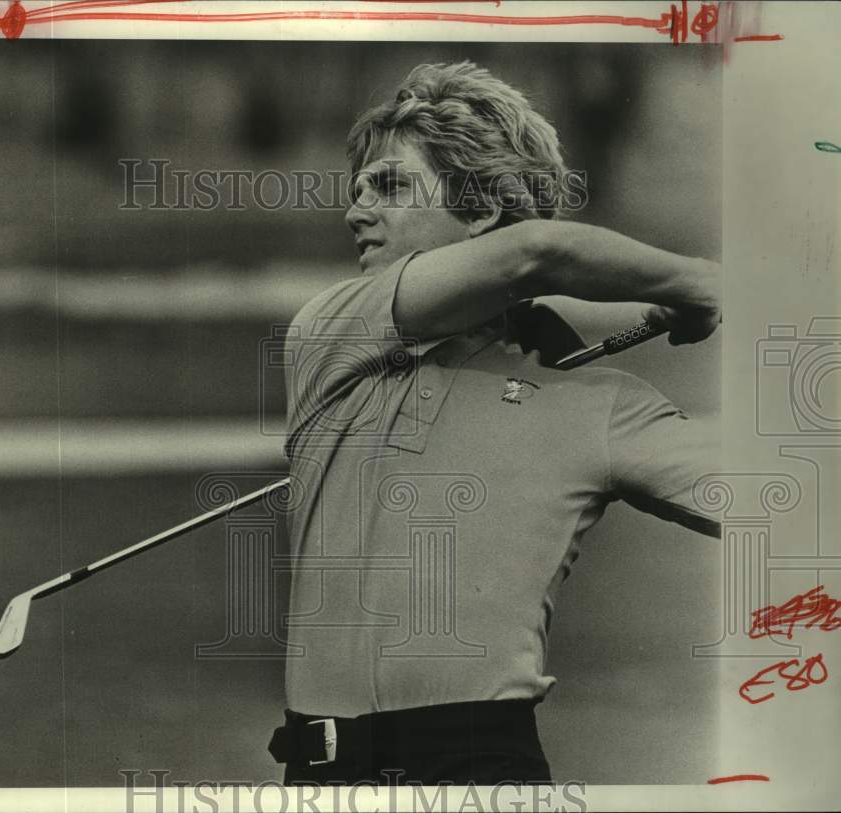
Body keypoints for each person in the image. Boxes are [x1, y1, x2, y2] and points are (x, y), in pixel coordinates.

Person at [266, 61, 721, 786]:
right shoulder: (329, 337)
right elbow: (533, 254)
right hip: (321, 776)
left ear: (478, 211)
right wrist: (706, 283)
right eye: (355, 191)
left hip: (482, 766)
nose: (354, 211)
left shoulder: (597, 400)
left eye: (386, 186)